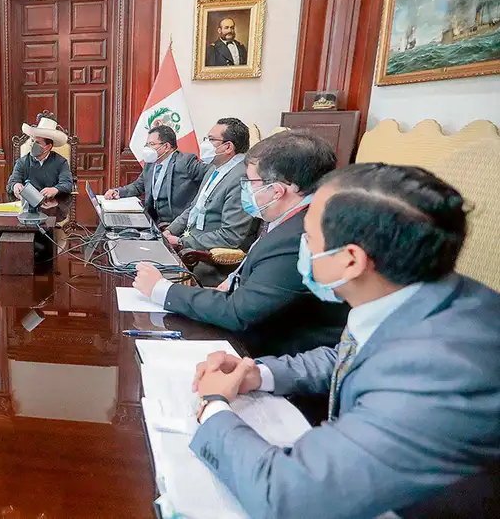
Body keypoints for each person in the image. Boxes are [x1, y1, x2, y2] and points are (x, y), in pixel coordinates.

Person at [188, 163, 500, 518]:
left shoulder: (441, 374)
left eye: (307, 238)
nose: (301, 247)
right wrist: (258, 372)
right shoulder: (425, 293)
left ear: (351, 261)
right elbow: (351, 355)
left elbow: (286, 495)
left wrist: (212, 406)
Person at [134, 132, 348, 357]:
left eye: (249, 182)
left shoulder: (301, 236)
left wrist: (161, 289)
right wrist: (231, 280)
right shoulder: (294, 217)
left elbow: (240, 312)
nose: (245, 189)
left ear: (277, 190)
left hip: (274, 356)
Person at [165, 118, 255, 285]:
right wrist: (169, 232)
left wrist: (181, 242)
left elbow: (231, 236)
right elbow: (194, 208)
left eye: (211, 139)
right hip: (189, 246)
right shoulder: (215, 168)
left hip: (208, 262)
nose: (204, 144)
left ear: (228, 147)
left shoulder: (242, 177)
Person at [105, 124, 210, 227]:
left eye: (152, 144)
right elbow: (139, 186)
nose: (148, 148)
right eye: (147, 144)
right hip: (153, 220)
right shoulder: (150, 163)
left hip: (176, 223)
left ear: (166, 147)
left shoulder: (186, 162)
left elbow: (213, 172)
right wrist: (118, 192)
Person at [6, 116, 73, 200]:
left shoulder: (61, 162)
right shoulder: (22, 162)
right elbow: (11, 183)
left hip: (52, 207)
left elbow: (67, 184)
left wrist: (55, 189)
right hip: (28, 207)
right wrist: (15, 185)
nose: (33, 145)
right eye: (32, 141)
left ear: (48, 147)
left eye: (37, 142)